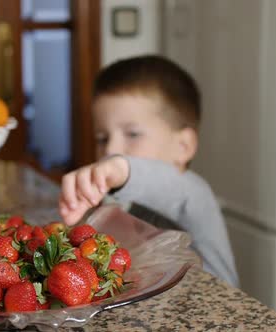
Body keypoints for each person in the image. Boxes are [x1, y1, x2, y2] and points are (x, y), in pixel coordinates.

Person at [58, 55, 239, 287]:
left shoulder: (194, 193)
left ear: (183, 146)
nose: (111, 149)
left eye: (133, 134)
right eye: (102, 138)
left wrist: (122, 169)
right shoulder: (120, 201)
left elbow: (159, 182)